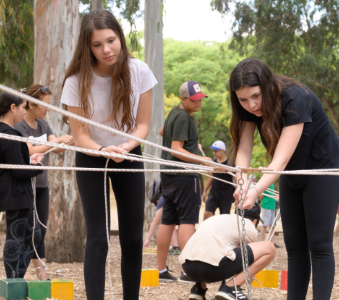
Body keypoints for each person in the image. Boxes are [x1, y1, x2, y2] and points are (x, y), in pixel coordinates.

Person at [60, 10, 157, 300]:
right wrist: (103, 150)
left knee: (132, 238)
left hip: (129, 153)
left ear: (120, 38)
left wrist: (125, 148)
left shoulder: (140, 71)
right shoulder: (76, 82)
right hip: (91, 154)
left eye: (111, 40)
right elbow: (79, 136)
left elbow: (142, 126)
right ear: (87, 47)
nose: (106, 50)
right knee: (98, 239)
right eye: (97, 44)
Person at [230, 58, 339, 300]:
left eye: (256, 96)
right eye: (242, 99)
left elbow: (280, 160)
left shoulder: (295, 98)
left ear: (268, 86)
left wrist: (256, 189)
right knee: (294, 245)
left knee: (319, 244)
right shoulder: (248, 108)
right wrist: (241, 181)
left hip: (323, 168)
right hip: (291, 173)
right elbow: (244, 150)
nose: (250, 105)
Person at [14, 84, 74, 280]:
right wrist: (56, 142)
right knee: (28, 232)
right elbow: (28, 151)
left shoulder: (44, 125)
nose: (47, 109)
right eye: (44, 105)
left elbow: (55, 149)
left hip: (41, 186)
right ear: (31, 104)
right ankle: (17, 276)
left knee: (41, 230)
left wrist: (66, 142)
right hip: (23, 187)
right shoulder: (19, 126)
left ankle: (43, 278)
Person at [157, 81, 212, 284]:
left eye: (200, 99)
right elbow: (176, 149)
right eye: (193, 100)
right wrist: (201, 159)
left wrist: (190, 143)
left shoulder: (174, 112)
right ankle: (188, 272)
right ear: (183, 99)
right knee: (187, 221)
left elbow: (163, 132)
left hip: (169, 176)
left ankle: (161, 270)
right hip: (184, 176)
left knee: (168, 220)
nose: (198, 103)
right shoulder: (183, 117)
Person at [180, 203, 276, 300]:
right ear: (255, 221)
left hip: (188, 268)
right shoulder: (248, 225)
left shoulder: (220, 218)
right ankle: (231, 288)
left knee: (211, 248)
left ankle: (198, 290)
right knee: (269, 248)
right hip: (210, 268)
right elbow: (248, 263)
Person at [0, 92, 44, 278]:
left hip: (20, 194)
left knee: (34, 236)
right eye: (23, 107)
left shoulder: (8, 133)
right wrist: (38, 167)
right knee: (15, 238)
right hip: (15, 195)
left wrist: (29, 161)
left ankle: (16, 278)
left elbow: (16, 164)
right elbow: (19, 171)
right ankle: (12, 282)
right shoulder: (9, 135)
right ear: (12, 107)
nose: (24, 111)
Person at [202, 140, 235, 220]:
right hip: (214, 193)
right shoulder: (213, 162)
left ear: (222, 151)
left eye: (216, 151)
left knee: (223, 218)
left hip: (226, 195)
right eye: (213, 151)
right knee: (207, 214)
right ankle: (207, 231)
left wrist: (238, 193)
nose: (214, 153)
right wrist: (205, 191)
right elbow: (212, 176)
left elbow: (235, 178)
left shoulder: (230, 163)